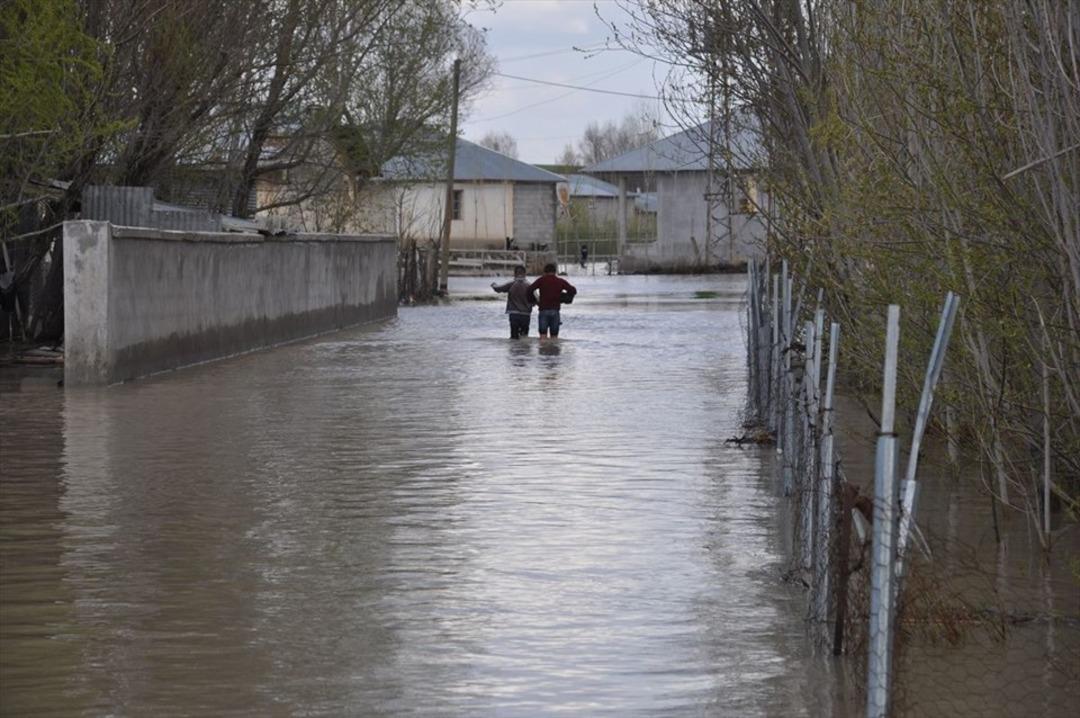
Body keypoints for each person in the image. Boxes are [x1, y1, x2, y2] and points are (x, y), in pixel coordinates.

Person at [528, 263, 576, 338]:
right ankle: (554, 349)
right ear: (555, 271)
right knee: (554, 338)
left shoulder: (541, 280)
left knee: (543, 338)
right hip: (555, 311)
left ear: (545, 272)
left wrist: (533, 301)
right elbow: (573, 290)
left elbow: (529, 290)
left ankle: (542, 350)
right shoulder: (560, 281)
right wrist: (565, 298)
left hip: (543, 310)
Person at [491, 265, 535, 339]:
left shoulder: (511, 284)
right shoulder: (529, 285)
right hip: (526, 314)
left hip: (514, 314)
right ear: (525, 274)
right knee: (524, 336)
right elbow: (535, 299)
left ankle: (514, 349)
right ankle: (524, 349)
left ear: (514, 273)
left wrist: (494, 285)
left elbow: (498, 289)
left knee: (514, 336)